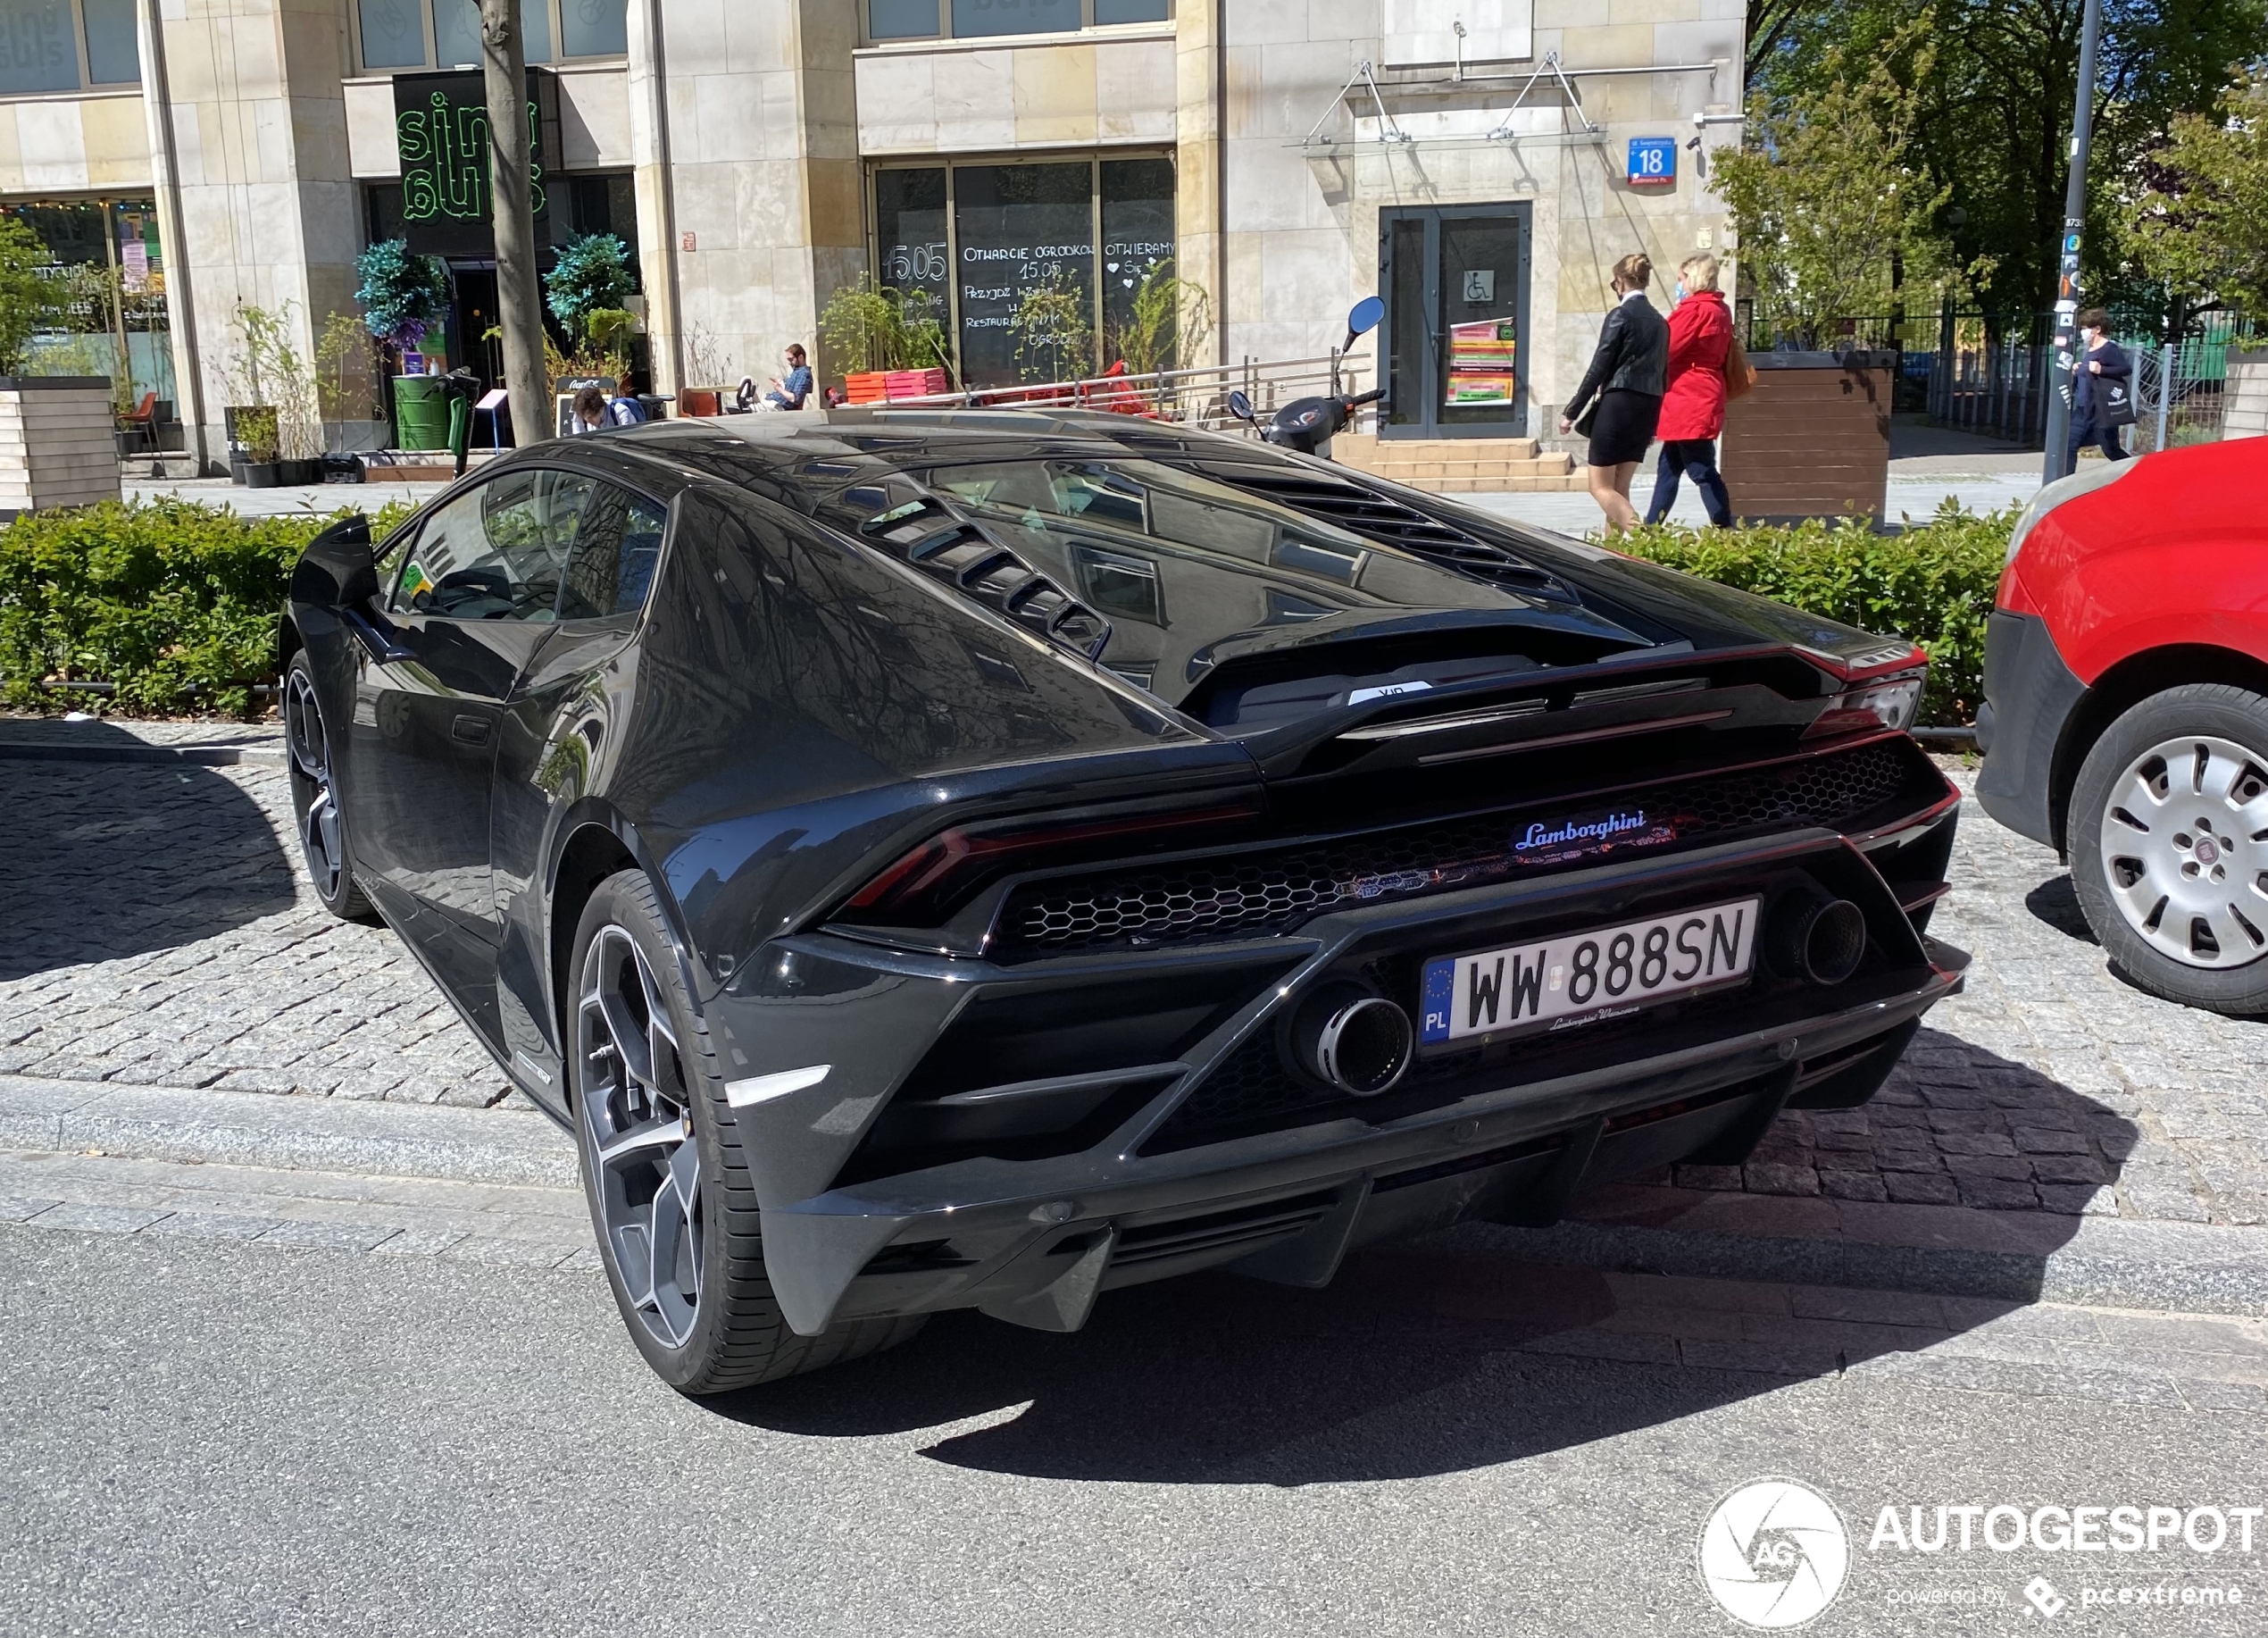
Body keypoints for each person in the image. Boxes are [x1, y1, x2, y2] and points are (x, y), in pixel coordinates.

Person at [1560, 253, 1669, 533]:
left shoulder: (1620, 315)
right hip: (1648, 405)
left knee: (1599, 486)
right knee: (1620, 489)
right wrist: (1654, 424)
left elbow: (1599, 366)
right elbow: (1662, 372)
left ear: (1620, 281)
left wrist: (1572, 412)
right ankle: (1616, 557)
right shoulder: (1660, 322)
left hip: (1618, 402)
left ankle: (1648, 539)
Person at [1644, 253, 1734, 527]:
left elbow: (1665, 348)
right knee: (1668, 469)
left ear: (1692, 278)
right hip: (1703, 392)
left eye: (1681, 278)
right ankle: (1650, 529)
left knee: (1701, 469)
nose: (1678, 284)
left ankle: (1724, 528)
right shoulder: (1720, 309)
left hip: (1688, 397)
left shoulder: (1694, 310)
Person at [2070, 308, 2132, 466]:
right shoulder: (2089, 350)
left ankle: (2138, 473)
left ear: (2097, 329)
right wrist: (2078, 370)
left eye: (2086, 328)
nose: (2083, 332)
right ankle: (2065, 483)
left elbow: (2125, 369)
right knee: (2069, 444)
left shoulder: (2109, 349)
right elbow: (2088, 373)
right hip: (2083, 408)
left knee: (2111, 450)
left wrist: (2101, 369)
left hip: (2101, 410)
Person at [766, 344, 813, 410]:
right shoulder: (797, 372)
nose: (789, 362)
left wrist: (779, 388)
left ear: (801, 357)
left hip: (777, 405)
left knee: (749, 380)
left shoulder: (804, 374)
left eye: (791, 359)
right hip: (770, 400)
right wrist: (782, 384)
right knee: (750, 381)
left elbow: (796, 399)